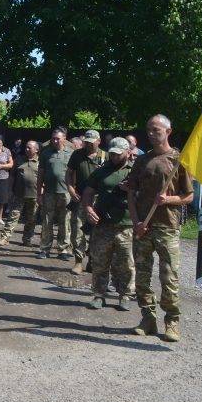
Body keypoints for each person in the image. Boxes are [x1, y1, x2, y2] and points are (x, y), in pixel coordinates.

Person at [126, 115, 193, 342]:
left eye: (156, 130)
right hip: (144, 227)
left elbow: (189, 196)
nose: (151, 133)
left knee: (169, 277)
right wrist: (136, 222)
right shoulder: (141, 161)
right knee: (142, 277)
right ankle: (148, 318)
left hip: (167, 227)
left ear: (168, 131)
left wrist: (169, 199)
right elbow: (130, 192)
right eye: (149, 130)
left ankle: (172, 321)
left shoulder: (178, 160)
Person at [83, 138, 135, 310]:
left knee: (126, 262)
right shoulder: (101, 171)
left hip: (127, 223)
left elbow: (147, 195)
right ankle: (99, 294)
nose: (114, 157)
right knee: (99, 261)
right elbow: (88, 192)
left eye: (117, 154)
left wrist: (132, 191)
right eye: (111, 153)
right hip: (103, 223)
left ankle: (125, 295)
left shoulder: (135, 171)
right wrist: (88, 209)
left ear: (128, 152)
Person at [65, 129, 106, 274]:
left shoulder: (104, 156)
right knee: (77, 230)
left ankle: (92, 261)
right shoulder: (77, 154)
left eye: (91, 142)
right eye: (86, 142)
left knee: (97, 232)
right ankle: (78, 261)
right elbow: (69, 173)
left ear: (98, 141)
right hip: (80, 198)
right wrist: (71, 189)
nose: (88, 145)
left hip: (98, 201)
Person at [36, 127, 72, 260]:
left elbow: (74, 174)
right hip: (49, 192)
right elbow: (40, 174)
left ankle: (63, 250)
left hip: (66, 193)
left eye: (58, 138)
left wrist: (73, 191)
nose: (55, 140)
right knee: (47, 221)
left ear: (64, 139)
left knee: (65, 222)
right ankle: (44, 249)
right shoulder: (46, 153)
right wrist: (39, 193)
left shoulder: (71, 153)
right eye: (53, 138)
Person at [0, 141, 40, 247]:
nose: (26, 149)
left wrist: (42, 191)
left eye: (29, 148)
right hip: (19, 194)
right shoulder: (19, 159)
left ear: (36, 150)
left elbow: (44, 178)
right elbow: (12, 175)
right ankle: (5, 238)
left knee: (31, 219)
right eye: (26, 147)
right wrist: (9, 189)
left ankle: (27, 239)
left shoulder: (41, 161)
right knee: (13, 216)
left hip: (34, 195)